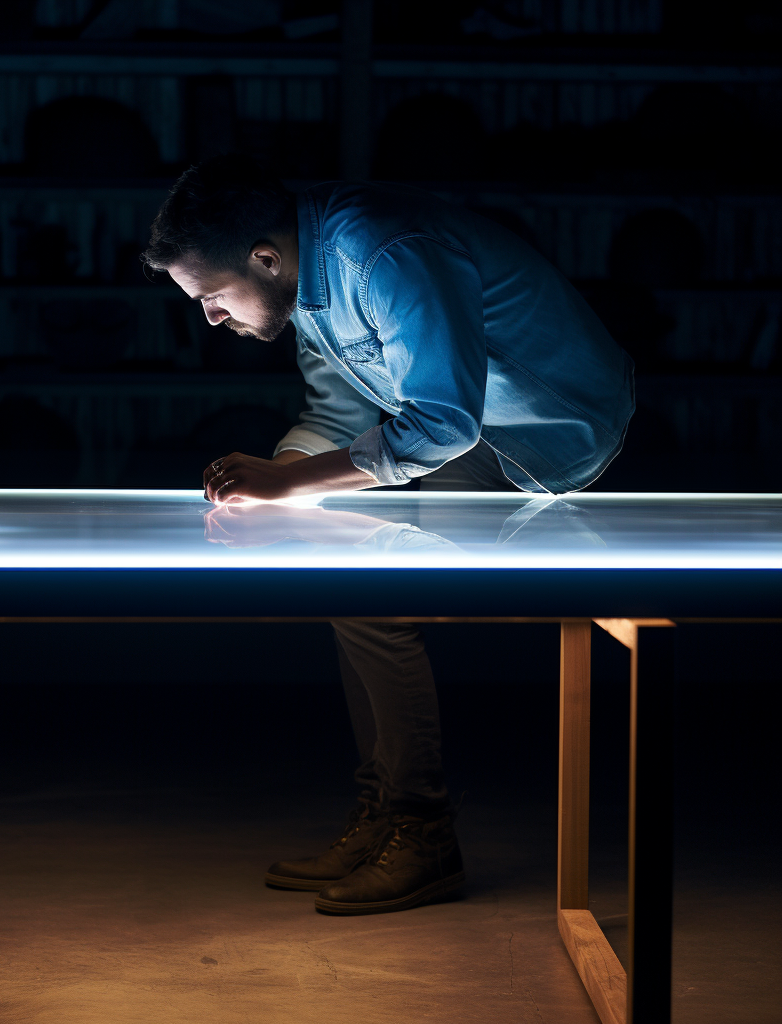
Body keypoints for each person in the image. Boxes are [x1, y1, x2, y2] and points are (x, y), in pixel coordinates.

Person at [141, 155, 634, 916]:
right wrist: (275, 488)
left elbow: (442, 424)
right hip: (477, 432)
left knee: (369, 585)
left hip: (548, 439)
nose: (209, 318)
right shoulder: (301, 274)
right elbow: (339, 420)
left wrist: (287, 485)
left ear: (264, 259)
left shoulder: (380, 251)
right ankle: (382, 813)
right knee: (335, 561)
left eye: (210, 297)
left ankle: (422, 829)